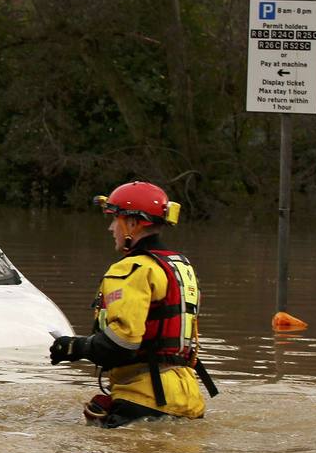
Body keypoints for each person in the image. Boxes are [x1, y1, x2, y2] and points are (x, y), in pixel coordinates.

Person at [49, 181, 219, 428]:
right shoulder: (180, 265)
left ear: (132, 224)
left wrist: (74, 347)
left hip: (145, 398)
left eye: (114, 219)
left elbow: (122, 343)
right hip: (188, 398)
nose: (110, 228)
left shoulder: (131, 268)